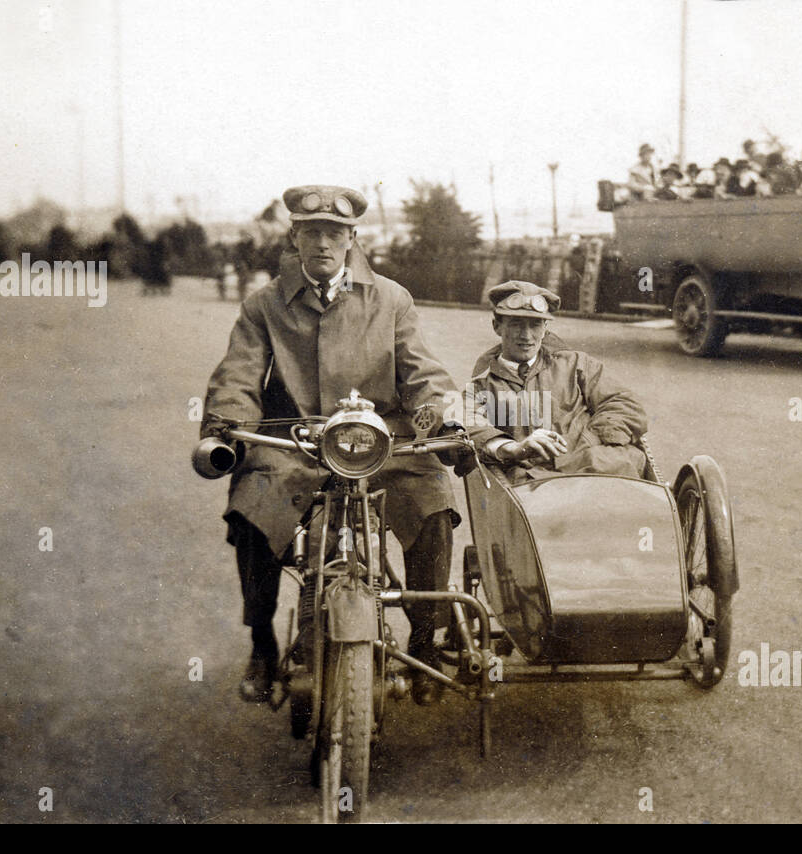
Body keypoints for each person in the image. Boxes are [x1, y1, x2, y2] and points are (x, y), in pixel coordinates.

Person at [200, 184, 465, 707]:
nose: (322, 243)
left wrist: (441, 423)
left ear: (352, 239)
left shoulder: (391, 298)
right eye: (311, 232)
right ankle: (262, 644)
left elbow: (422, 373)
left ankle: (426, 642)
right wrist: (225, 425)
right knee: (251, 510)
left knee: (434, 504)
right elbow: (238, 376)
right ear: (294, 237)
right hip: (295, 441)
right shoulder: (264, 304)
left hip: (379, 439)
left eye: (334, 233)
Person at [466, 281, 649, 485]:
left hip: (600, 469)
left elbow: (625, 406)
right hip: (534, 484)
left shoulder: (578, 364)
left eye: (535, 325)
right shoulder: (481, 386)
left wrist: (583, 444)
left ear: (545, 328)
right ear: (497, 326)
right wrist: (515, 448)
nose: (526, 336)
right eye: (516, 323)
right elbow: (466, 426)